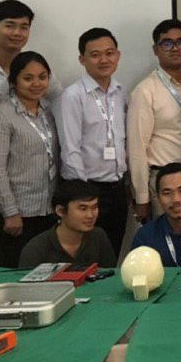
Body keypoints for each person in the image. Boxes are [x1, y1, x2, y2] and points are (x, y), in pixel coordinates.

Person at [56, 27, 128, 256]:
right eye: (95, 55)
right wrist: (83, 195)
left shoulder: (120, 92)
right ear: (82, 59)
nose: (104, 60)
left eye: (109, 53)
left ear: (118, 55)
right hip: (88, 190)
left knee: (111, 253)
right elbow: (70, 148)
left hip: (118, 188)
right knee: (87, 255)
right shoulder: (73, 96)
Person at [0, 51, 59, 267]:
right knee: (15, 274)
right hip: (17, 215)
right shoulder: (1, 115)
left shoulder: (48, 111)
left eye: (42, 77)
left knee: (45, 274)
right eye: (28, 78)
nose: (36, 83)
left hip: (47, 210)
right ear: (13, 81)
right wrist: (10, 212)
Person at [128, 19, 181, 222]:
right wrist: (142, 197)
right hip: (163, 180)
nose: (175, 48)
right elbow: (137, 148)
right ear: (155, 50)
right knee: (167, 237)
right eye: (167, 43)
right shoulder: (145, 90)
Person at [0, 0, 63, 102]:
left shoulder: (39, 70)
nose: (17, 33)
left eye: (24, 27)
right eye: (10, 26)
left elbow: (59, 101)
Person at [18, 180, 117, 268]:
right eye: (83, 209)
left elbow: (111, 276)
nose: (90, 215)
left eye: (94, 207)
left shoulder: (98, 236)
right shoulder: (36, 249)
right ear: (60, 211)